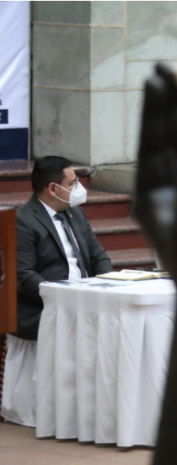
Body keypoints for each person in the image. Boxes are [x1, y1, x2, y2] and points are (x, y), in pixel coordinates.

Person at [6, 155, 113, 426]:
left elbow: (99, 256)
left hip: (83, 298)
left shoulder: (76, 213)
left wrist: (110, 284)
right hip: (44, 306)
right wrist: (63, 297)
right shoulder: (22, 220)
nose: (79, 188)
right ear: (53, 188)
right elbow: (24, 276)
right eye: (73, 183)